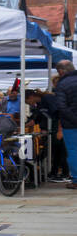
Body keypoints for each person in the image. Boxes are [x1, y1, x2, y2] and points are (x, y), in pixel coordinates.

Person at [52, 59, 77, 188]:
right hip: (71, 122)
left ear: (61, 71)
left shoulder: (62, 84)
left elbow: (61, 107)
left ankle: (76, 180)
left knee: (73, 151)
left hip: (71, 124)